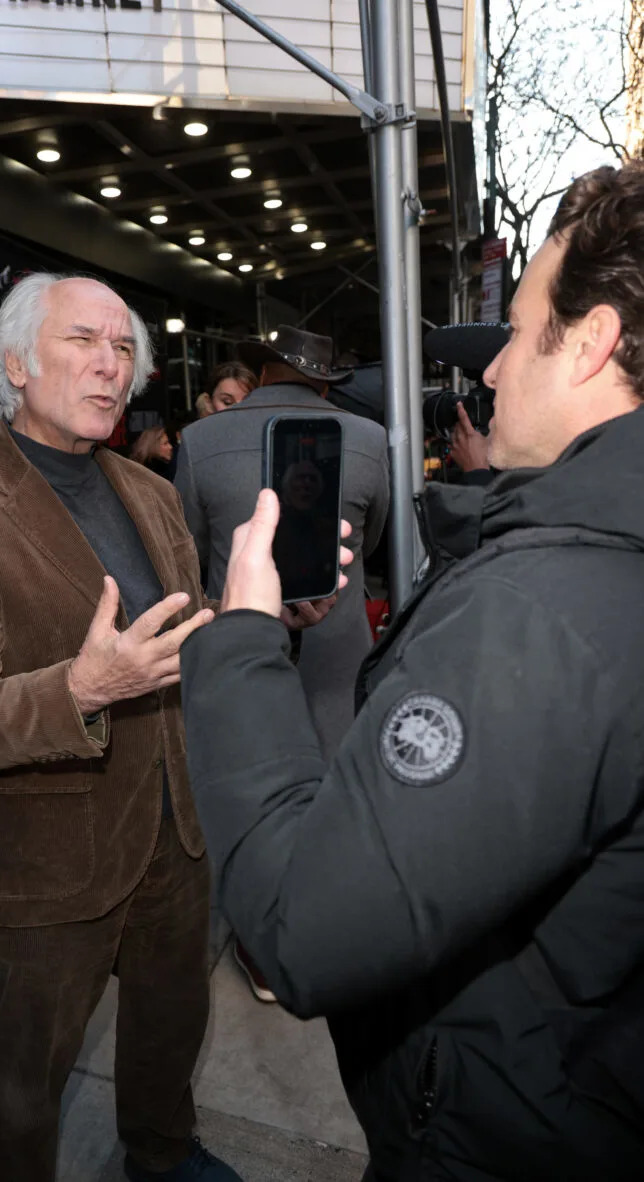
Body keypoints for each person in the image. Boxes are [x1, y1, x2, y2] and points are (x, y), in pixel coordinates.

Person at [178, 161, 644, 1181]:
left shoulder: (541, 612)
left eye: (517, 332)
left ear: (592, 343)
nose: (491, 372)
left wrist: (243, 636)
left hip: (500, 1135)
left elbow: (302, 926)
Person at [0, 273, 243, 1182]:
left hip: (173, 830)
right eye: (82, 341)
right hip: (43, 856)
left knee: (171, 1022)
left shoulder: (151, 493)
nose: (109, 365)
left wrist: (254, 619)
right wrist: (81, 689)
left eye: (123, 348)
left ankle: (161, 1154)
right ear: (14, 363)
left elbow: (179, 638)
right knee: (30, 1075)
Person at [174, 325, 388, 1002]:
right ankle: (332, 934)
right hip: (337, 648)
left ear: (263, 371)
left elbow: (186, 548)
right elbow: (372, 541)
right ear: (325, 381)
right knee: (335, 795)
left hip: (240, 635)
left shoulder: (200, 441)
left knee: (247, 789)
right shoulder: (370, 438)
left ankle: (262, 952)